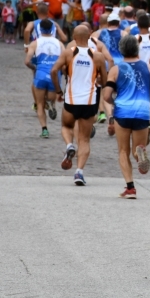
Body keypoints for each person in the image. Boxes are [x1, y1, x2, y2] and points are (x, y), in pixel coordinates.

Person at [102, 35, 150, 198]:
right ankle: (140, 154)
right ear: (137, 49)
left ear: (121, 50)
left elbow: (107, 95)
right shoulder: (148, 68)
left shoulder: (117, 69)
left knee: (123, 151)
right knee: (137, 148)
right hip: (142, 112)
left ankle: (130, 188)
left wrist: (113, 102)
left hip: (123, 111)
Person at [51, 25, 107, 185]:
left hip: (71, 100)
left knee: (66, 127)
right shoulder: (98, 56)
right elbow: (105, 79)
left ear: (74, 38)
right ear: (89, 37)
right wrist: (98, 80)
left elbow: (54, 71)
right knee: (84, 139)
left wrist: (58, 91)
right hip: (89, 102)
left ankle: (69, 145)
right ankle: (79, 172)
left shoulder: (69, 53)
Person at [24, 19, 65, 138]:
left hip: (40, 74)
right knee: (50, 98)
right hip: (54, 75)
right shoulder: (59, 43)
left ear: (40, 29)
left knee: (39, 104)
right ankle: (51, 103)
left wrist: (34, 67)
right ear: (53, 30)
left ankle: (44, 129)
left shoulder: (35, 43)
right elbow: (64, 62)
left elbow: (27, 61)